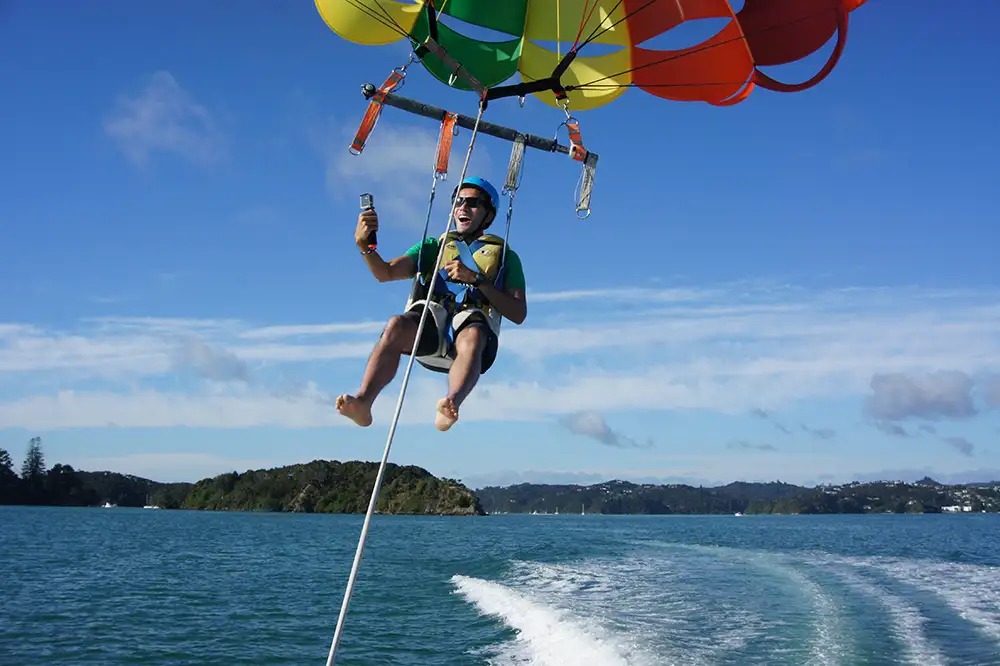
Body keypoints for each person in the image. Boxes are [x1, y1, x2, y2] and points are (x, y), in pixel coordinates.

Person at [335, 177, 527, 431]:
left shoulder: (505, 257)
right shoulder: (433, 247)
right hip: (430, 329)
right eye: (458, 202)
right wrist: (365, 247)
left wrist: (478, 281)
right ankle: (363, 403)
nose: (463, 208)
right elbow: (386, 273)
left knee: (472, 333)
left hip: (472, 333)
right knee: (395, 325)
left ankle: (451, 404)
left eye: (472, 203)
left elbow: (518, 313)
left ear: (488, 215)